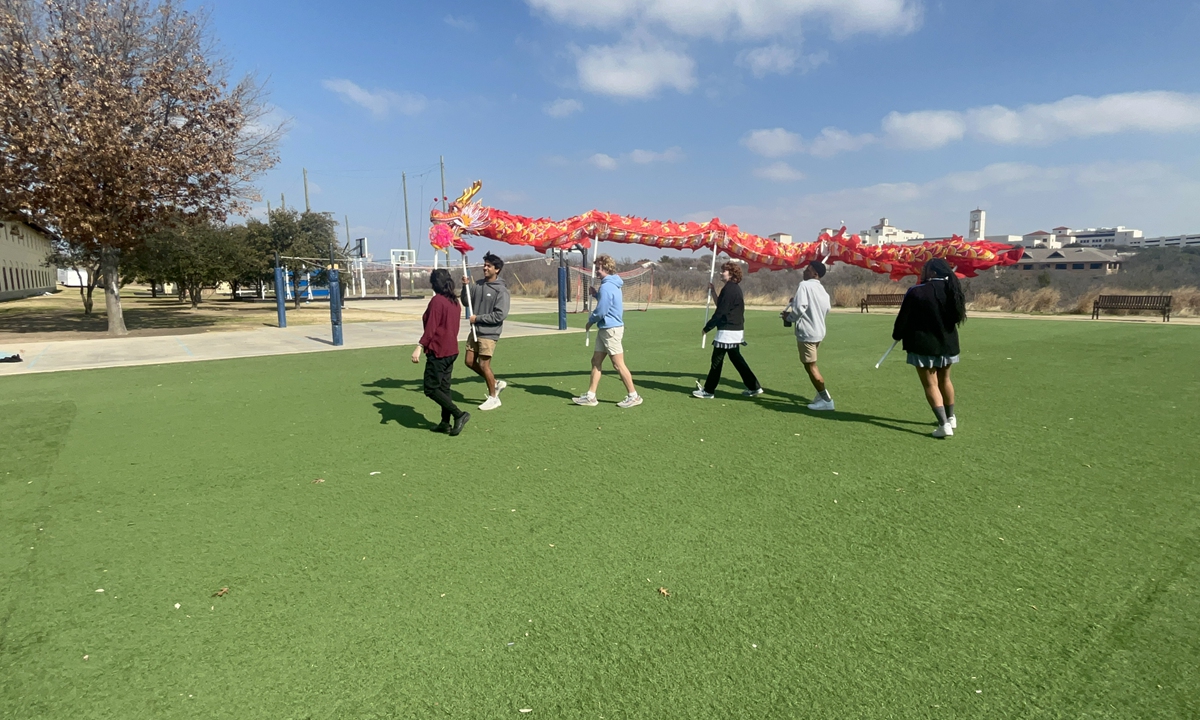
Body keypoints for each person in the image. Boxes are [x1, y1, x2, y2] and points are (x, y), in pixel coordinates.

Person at [892, 257, 966, 438]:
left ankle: (943, 425)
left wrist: (897, 334)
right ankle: (951, 417)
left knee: (930, 384)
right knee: (945, 380)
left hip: (923, 345)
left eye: (924, 269)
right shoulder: (952, 289)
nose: (921, 272)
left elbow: (903, 320)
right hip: (948, 344)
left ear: (932, 272)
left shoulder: (916, 291)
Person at [573, 254, 642, 408]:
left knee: (618, 364)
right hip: (605, 329)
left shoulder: (607, 286)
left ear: (605, 268)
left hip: (611, 330)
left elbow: (602, 311)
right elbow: (607, 302)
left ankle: (634, 396)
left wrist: (590, 321)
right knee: (596, 361)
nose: (596, 271)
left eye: (598, 268)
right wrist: (596, 295)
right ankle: (591, 396)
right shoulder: (608, 286)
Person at [411, 269, 470, 436]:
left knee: (431, 388)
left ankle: (459, 414)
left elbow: (431, 328)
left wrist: (419, 346)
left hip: (439, 351)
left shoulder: (437, 301)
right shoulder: (454, 301)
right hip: (451, 349)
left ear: (434, 284)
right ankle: (445, 423)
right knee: (444, 389)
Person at [694, 261, 763, 399]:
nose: (721, 273)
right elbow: (721, 304)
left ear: (731, 274)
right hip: (734, 330)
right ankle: (754, 387)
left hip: (728, 331)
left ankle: (708, 390)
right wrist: (713, 291)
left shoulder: (730, 289)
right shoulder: (732, 288)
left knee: (716, 360)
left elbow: (721, 313)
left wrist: (707, 327)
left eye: (724, 271)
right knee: (737, 359)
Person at [461, 252, 511, 411]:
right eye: (484, 265)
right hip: (475, 331)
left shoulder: (501, 291)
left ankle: (494, 398)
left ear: (497, 269)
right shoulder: (478, 285)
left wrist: (478, 318)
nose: (485, 268)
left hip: (489, 333)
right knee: (469, 361)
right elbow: (465, 301)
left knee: (483, 364)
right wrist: (465, 287)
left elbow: (500, 315)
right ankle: (495, 383)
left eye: (488, 266)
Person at [781, 261, 833, 410]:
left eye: (808, 269)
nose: (804, 271)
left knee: (810, 366)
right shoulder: (821, 289)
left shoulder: (804, 285)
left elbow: (800, 308)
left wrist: (789, 318)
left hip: (807, 333)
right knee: (811, 364)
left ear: (815, 273)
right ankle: (820, 394)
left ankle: (826, 400)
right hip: (819, 331)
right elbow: (826, 308)